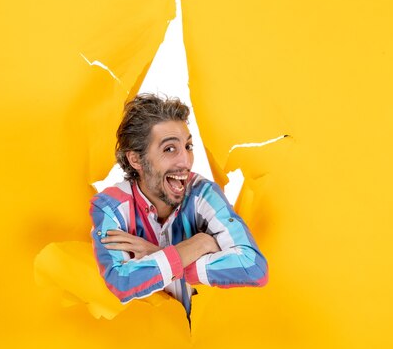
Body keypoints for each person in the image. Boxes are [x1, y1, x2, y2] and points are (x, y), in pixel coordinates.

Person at [89, 94, 268, 320]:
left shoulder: (203, 193)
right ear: (136, 160)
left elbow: (253, 267)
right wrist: (200, 244)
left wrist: (159, 256)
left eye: (188, 146)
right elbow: (121, 282)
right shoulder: (110, 207)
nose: (186, 161)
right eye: (169, 149)